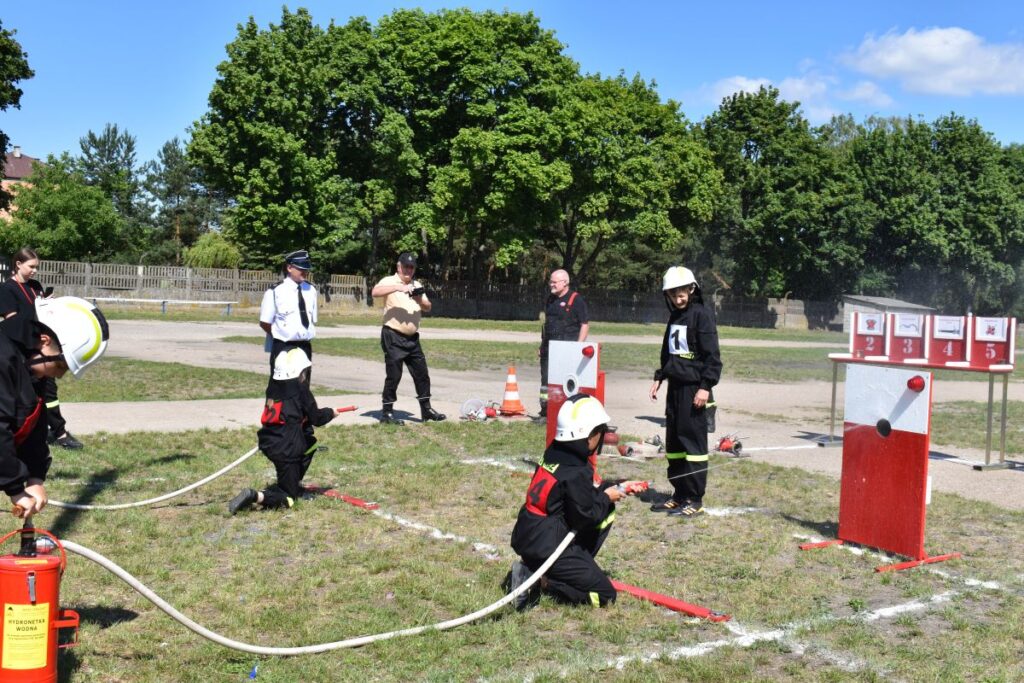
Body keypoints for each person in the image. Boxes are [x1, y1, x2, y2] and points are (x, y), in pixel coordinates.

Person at [506, 394, 644, 610]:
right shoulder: (577, 471)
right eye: (600, 430)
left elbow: (577, 496)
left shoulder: (555, 453)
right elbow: (586, 516)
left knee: (605, 508)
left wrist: (618, 485)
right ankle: (542, 581)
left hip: (530, 535)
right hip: (549, 546)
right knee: (604, 595)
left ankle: (555, 567)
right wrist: (608, 496)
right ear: (589, 436)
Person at [0, 296, 109, 518]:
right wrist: (15, 488)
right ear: (43, 340)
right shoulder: (3, 360)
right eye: (60, 365)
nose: (60, 374)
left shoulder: (30, 366)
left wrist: (35, 476)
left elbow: (34, 423)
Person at [648, 266, 722, 518]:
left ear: (691, 290)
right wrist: (660, 376)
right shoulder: (674, 318)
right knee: (675, 444)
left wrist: (705, 387)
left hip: (694, 389)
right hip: (675, 389)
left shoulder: (702, 315)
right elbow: (668, 352)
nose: (678, 299)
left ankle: (695, 497)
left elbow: (713, 357)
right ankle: (679, 494)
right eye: (673, 295)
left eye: (682, 293)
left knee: (693, 444)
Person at [228, 347, 339, 514]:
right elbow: (316, 418)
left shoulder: (273, 386)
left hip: (269, 441)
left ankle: (292, 480)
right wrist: (331, 413)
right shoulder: (301, 390)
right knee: (289, 498)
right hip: (287, 449)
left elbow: (291, 412)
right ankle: (256, 496)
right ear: (299, 370)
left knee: (310, 443)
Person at [0, 248, 83, 450]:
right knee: (30, 394)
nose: (35, 271)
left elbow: (43, 314)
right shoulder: (6, 290)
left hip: (43, 348)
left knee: (49, 391)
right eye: (31, 267)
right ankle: (52, 432)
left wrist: (48, 306)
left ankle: (57, 431)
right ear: (18, 264)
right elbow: (14, 324)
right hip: (22, 351)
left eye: (37, 267)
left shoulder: (35, 286)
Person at [370, 252, 445, 425]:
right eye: (406, 267)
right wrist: (397, 288)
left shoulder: (416, 284)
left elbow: (428, 307)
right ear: (399, 266)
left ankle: (426, 410)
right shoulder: (389, 281)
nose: (408, 270)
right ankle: (387, 412)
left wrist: (419, 299)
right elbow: (375, 292)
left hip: (412, 339)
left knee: (422, 374)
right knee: (394, 375)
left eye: (412, 267)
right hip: (393, 335)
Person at [538, 269, 589, 419]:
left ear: (565, 282)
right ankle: (545, 412)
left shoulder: (576, 299)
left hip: (567, 349)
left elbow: (585, 324)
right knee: (545, 382)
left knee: (566, 382)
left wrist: (578, 347)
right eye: (550, 281)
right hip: (549, 348)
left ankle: (565, 413)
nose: (551, 284)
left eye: (554, 282)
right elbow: (546, 324)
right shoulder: (550, 299)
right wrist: (542, 346)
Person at [259, 249, 317, 375]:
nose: (305, 272)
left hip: (304, 346)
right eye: (301, 268)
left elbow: (311, 320)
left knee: (303, 389)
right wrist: (281, 334)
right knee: (280, 389)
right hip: (284, 346)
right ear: (289, 268)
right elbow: (265, 322)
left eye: (306, 269)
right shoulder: (275, 291)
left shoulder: (311, 290)